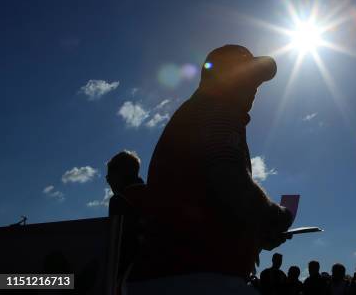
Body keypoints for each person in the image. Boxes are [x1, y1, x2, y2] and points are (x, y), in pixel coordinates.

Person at [128, 45, 293, 294]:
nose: (255, 90)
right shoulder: (218, 112)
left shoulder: (197, 113)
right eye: (249, 79)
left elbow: (211, 199)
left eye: (257, 83)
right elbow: (229, 179)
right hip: (198, 277)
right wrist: (274, 216)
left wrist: (256, 234)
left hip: (173, 275)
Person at [105, 150, 146, 292]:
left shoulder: (119, 201)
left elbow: (117, 248)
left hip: (133, 280)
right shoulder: (156, 194)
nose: (107, 179)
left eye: (109, 175)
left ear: (120, 174)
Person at [106, 150, 145, 216]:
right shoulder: (154, 196)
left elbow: (116, 226)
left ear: (120, 174)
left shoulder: (117, 201)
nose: (108, 181)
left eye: (109, 177)